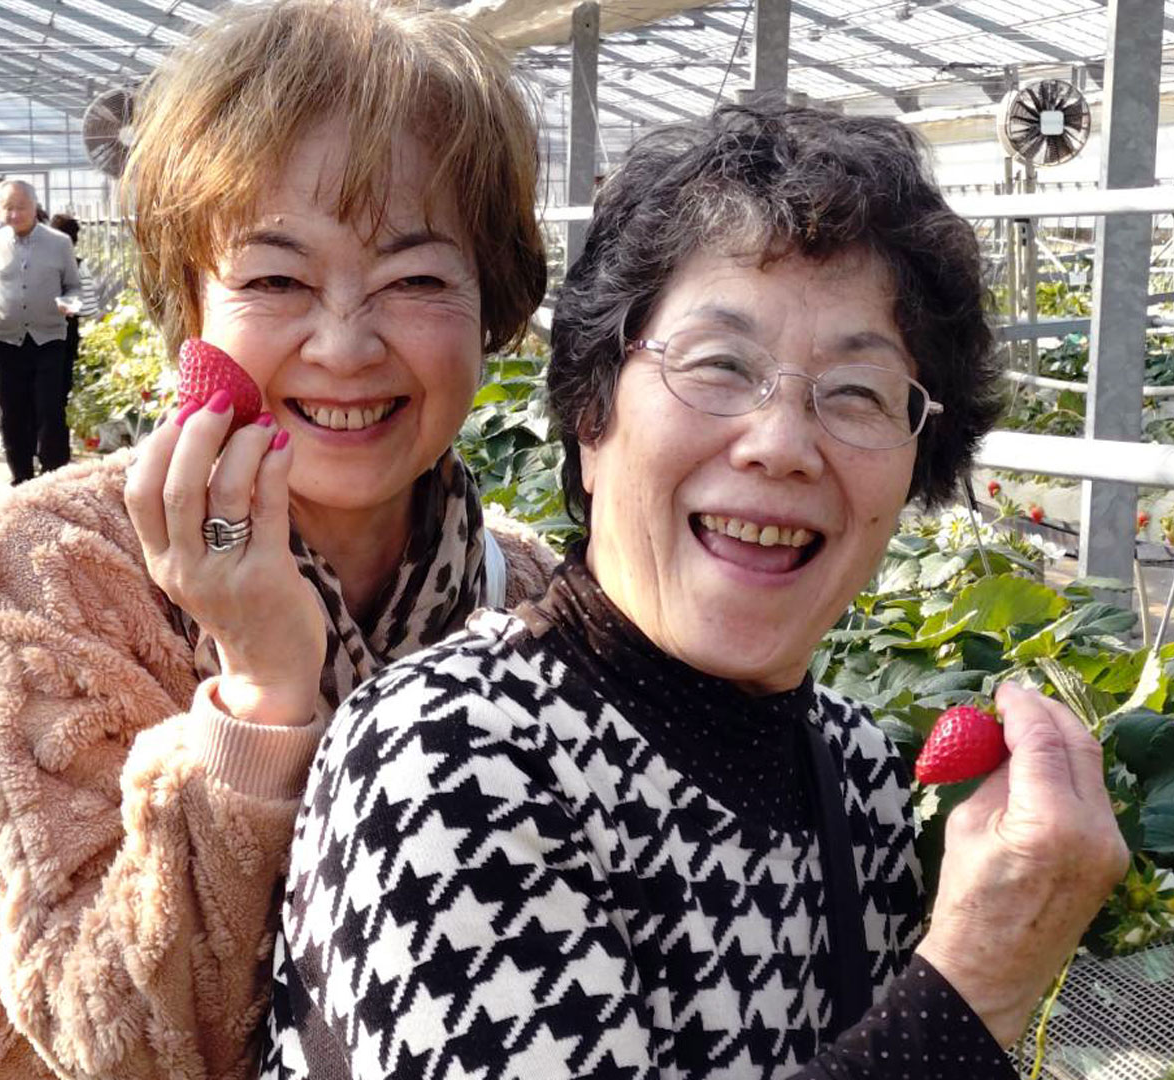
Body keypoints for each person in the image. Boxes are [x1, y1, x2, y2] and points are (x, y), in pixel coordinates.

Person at [264, 104, 1129, 1079]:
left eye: (857, 392)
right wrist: (978, 982)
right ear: (592, 419)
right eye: (720, 366)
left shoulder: (859, 773)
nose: (782, 445)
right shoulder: (444, 758)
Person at [0, 2, 552, 1078]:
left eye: (416, 279)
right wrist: (262, 691)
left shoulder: (524, 598)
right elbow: (112, 1046)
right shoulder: (53, 568)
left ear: (494, 305)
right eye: (276, 278)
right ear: (189, 307)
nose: (345, 346)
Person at [0, 179, 84, 483]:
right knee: (12, 412)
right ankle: (21, 478)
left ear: (34, 206)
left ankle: (53, 478)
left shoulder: (59, 243)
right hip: (7, 341)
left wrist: (68, 305)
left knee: (50, 410)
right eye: (7, 208)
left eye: (21, 207)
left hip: (49, 339)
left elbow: (74, 286)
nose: (14, 214)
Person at [47, 212, 84, 395]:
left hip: (43, 336)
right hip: (67, 335)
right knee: (61, 389)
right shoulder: (78, 265)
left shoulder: (40, 264)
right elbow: (82, 305)